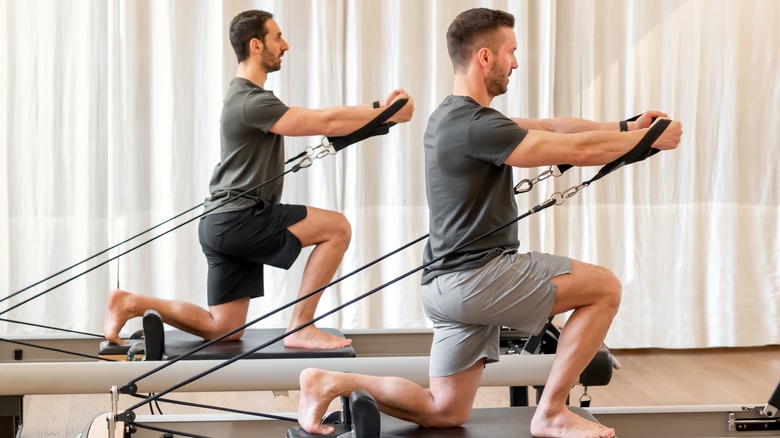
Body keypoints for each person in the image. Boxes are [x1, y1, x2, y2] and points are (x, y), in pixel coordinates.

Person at [297, 7, 682, 437]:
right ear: (485, 57)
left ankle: (330, 381)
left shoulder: (454, 117)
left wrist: (625, 126)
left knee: (444, 410)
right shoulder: (475, 126)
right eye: (511, 52)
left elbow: (552, 127)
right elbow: (579, 151)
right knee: (604, 287)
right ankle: (551, 411)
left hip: (444, 287)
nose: (515, 62)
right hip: (478, 279)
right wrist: (645, 141)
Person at [104, 10, 415, 350]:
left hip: (221, 224)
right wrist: (387, 113)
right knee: (337, 228)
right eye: (277, 37)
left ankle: (130, 303)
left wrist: (381, 108)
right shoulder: (251, 101)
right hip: (239, 219)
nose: (286, 45)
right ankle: (301, 327)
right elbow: (325, 121)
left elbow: (327, 118)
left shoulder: (246, 98)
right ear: (256, 45)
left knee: (224, 328)